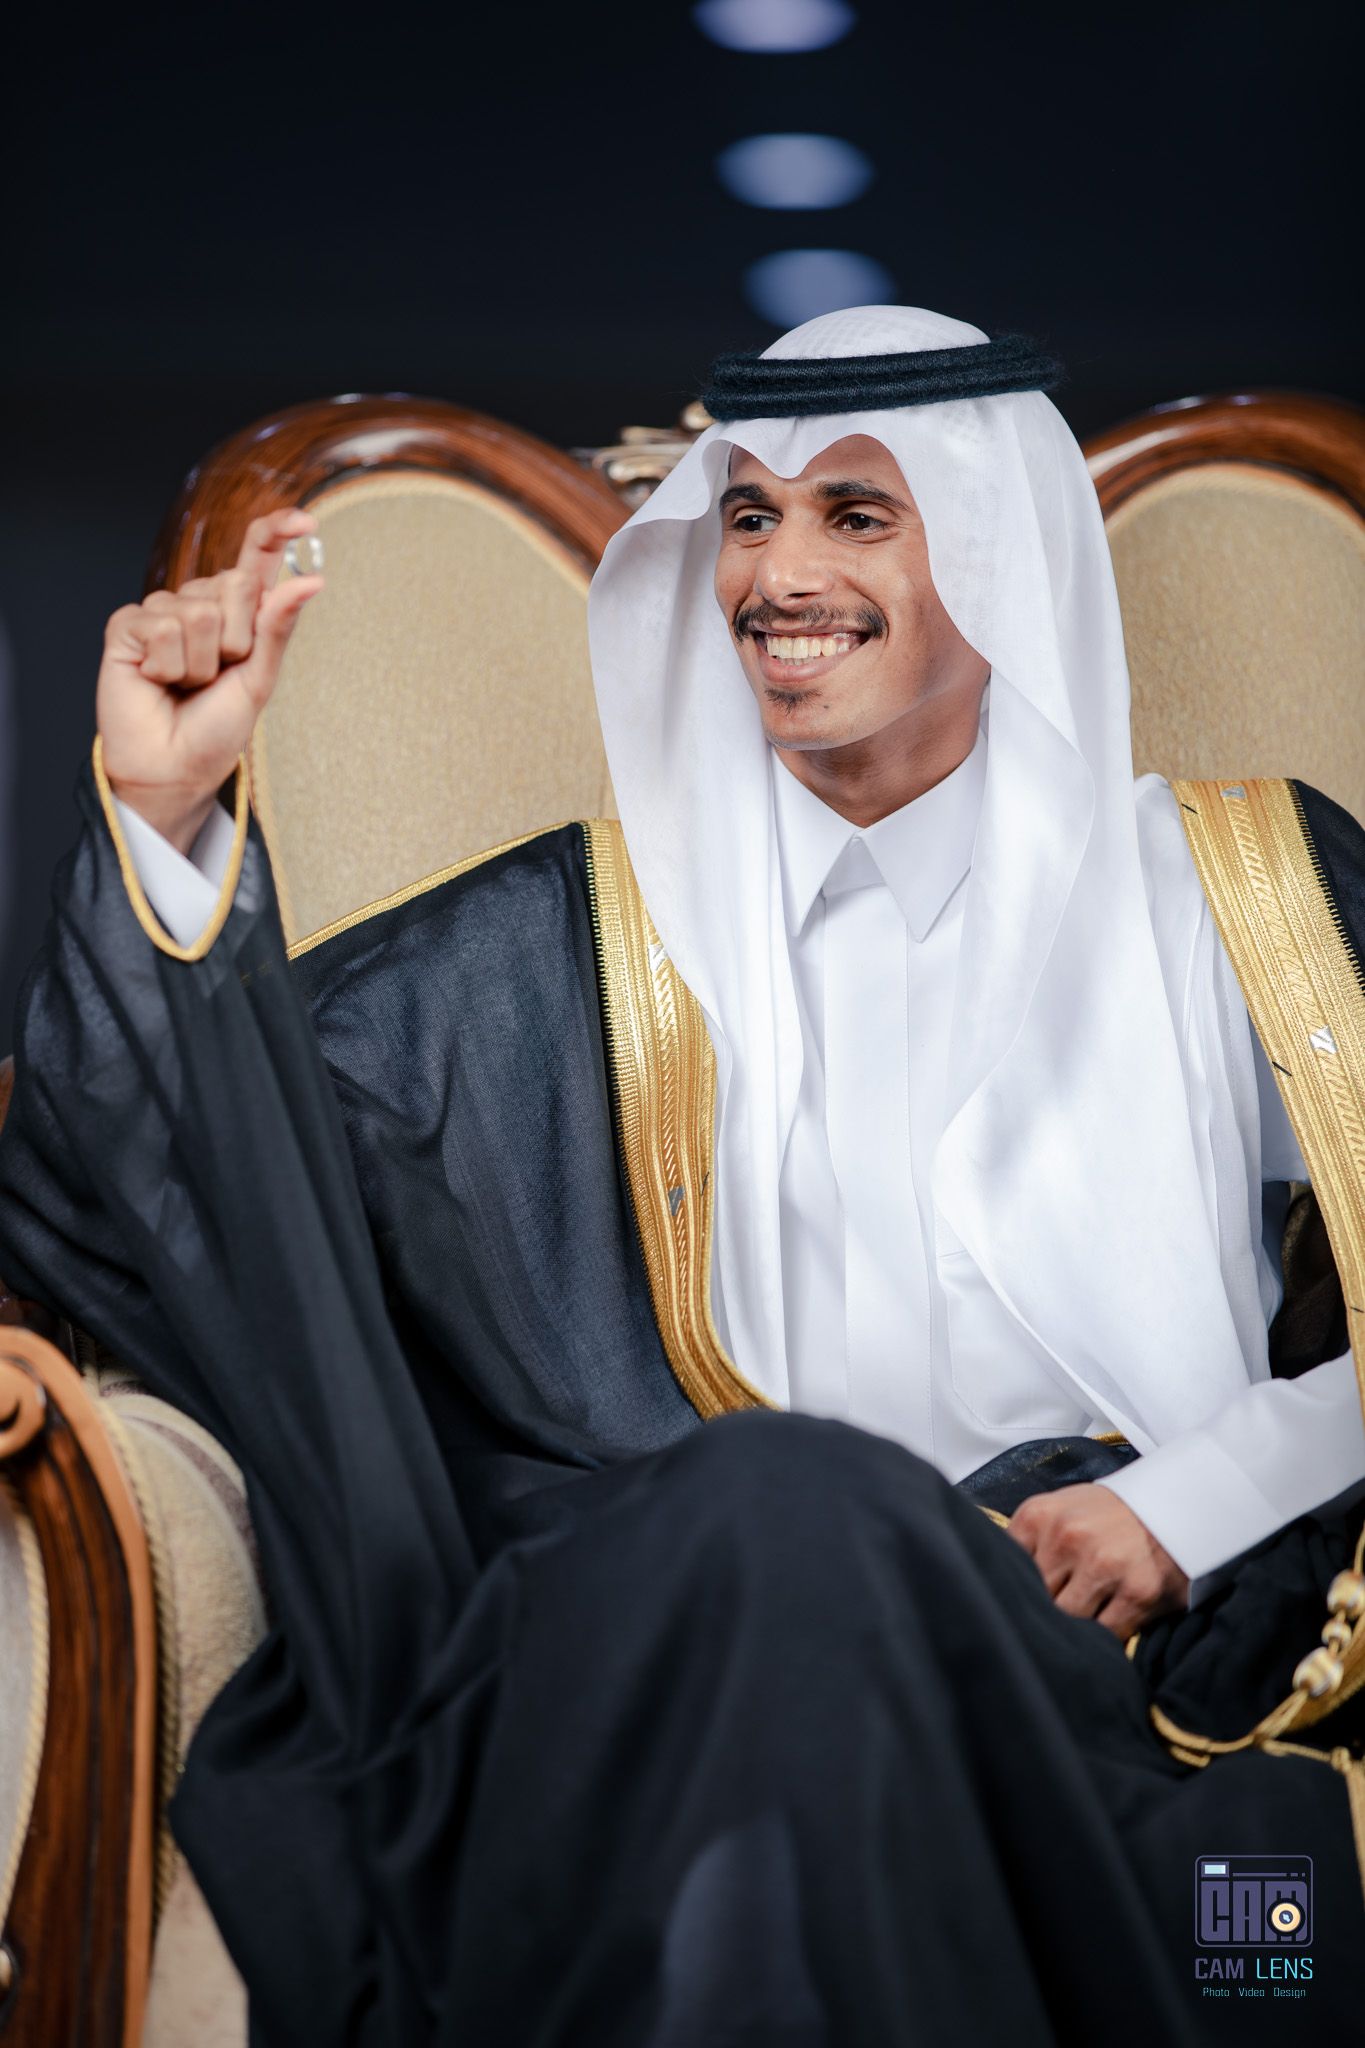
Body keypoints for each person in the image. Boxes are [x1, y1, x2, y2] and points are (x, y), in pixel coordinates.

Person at [1, 304, 1363, 2045]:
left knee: (1193, 1890)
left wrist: (1205, 1494)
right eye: (747, 518)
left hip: (1102, 1649)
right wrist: (166, 818)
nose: (778, 575)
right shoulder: (565, 942)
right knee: (782, 1511)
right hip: (682, 1615)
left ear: (1001, 556)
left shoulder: (1243, 895)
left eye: (855, 515)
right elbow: (174, 1186)